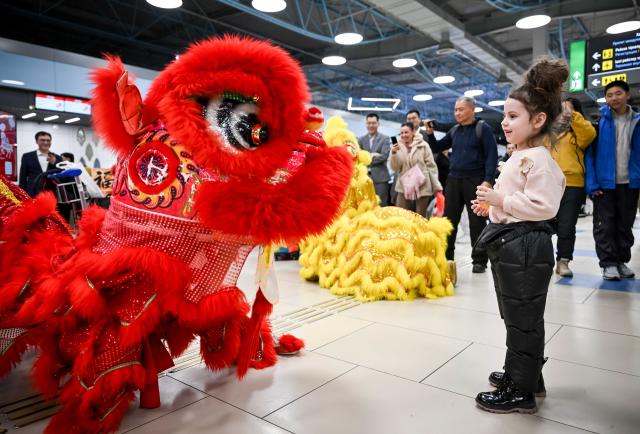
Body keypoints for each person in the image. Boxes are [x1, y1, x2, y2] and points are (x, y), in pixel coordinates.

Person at [471, 58, 568, 414]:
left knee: (523, 318)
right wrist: (493, 208)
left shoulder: (538, 159)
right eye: (505, 115)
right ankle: (526, 375)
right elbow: (517, 201)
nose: (504, 122)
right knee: (519, 316)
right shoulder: (521, 155)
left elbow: (544, 207)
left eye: (513, 116)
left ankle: (521, 391)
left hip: (526, 246)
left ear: (537, 120)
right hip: (514, 245)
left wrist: (501, 200)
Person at [425, 97, 498, 273]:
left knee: (477, 222)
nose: (457, 113)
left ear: (472, 110)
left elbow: (491, 156)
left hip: (475, 180)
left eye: (461, 109)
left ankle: (479, 261)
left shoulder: (483, 129)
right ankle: (447, 257)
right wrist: (430, 134)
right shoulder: (455, 130)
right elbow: (437, 147)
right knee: (449, 221)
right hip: (454, 180)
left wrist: (488, 180)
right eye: (456, 109)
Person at [585, 80, 640, 280]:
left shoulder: (637, 121)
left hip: (630, 183)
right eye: (609, 95)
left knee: (625, 225)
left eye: (618, 93)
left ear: (627, 95)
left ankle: (621, 261)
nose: (614, 98)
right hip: (604, 184)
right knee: (604, 225)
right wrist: (591, 184)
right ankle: (608, 263)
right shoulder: (599, 123)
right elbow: (589, 156)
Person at [551, 97, 597, 277]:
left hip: (573, 184)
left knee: (567, 226)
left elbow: (589, 134)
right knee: (541, 224)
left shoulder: (578, 133)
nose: (561, 114)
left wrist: (573, 115)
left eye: (567, 110)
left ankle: (563, 261)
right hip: (548, 185)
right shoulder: (547, 133)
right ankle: (542, 258)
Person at [390, 122, 441, 216]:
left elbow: (431, 166)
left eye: (406, 132)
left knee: (420, 216)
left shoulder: (423, 145)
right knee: (401, 215)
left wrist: (437, 187)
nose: (404, 135)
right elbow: (395, 167)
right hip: (403, 186)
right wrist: (394, 154)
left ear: (413, 131)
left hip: (423, 185)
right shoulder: (397, 147)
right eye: (401, 133)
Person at [407, 109, 449, 188]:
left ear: (419, 119)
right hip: (409, 174)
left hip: (425, 174)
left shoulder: (426, 135)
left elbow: (432, 154)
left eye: (414, 118)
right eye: (409, 119)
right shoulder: (404, 136)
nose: (411, 121)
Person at [358, 113, 391, 206]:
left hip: (381, 179)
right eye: (369, 123)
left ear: (378, 124)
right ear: (366, 124)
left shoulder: (385, 138)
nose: (371, 125)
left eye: (373, 123)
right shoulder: (360, 140)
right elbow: (359, 158)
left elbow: (384, 156)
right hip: (364, 178)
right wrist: (373, 155)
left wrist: (366, 157)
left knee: (381, 205)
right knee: (365, 204)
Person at [18, 131, 62, 197]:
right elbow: (23, 177)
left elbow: (61, 175)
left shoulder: (58, 158)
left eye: (48, 140)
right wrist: (22, 194)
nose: (45, 142)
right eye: (42, 140)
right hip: (32, 192)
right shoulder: (27, 156)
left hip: (52, 193)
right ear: (36, 141)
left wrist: (54, 163)